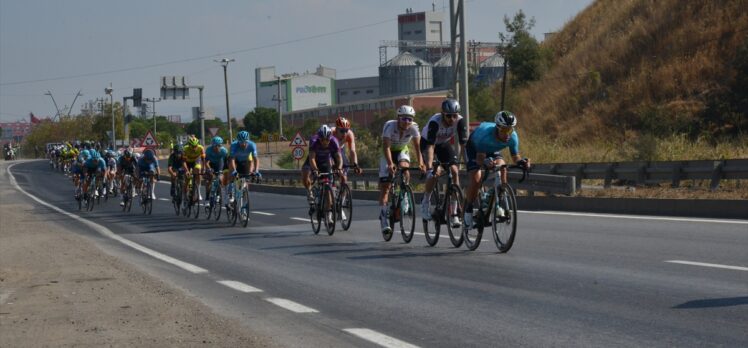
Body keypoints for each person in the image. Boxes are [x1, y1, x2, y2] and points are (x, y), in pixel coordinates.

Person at [462, 111, 531, 229]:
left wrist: (521, 162)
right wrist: (485, 162)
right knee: (476, 180)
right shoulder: (484, 136)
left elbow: (515, 156)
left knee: (502, 167)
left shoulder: (512, 137)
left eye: (510, 130)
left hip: (492, 149)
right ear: (498, 128)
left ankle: (498, 197)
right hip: (475, 149)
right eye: (504, 130)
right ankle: (468, 210)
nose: (507, 134)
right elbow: (479, 159)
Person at [420, 98, 468, 227]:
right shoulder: (435, 122)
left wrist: (468, 163)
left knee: (454, 171)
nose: (452, 119)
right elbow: (430, 147)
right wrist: (429, 167)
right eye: (448, 116)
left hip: (443, 144)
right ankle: (425, 203)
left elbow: (464, 145)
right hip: (428, 144)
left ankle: (454, 211)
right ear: (442, 114)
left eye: (454, 116)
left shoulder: (460, 121)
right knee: (435, 173)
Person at [378, 105, 425, 235]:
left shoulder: (414, 127)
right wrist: (390, 163)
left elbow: (418, 147)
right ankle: (384, 219)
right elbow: (386, 147)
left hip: (401, 149)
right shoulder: (390, 126)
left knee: (405, 169)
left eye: (410, 119)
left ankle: (404, 194)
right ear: (398, 118)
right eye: (404, 119)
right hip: (388, 152)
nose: (407, 122)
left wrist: (421, 162)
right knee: (385, 187)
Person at [307, 125, 343, 222]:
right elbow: (312, 158)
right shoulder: (314, 142)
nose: (325, 142)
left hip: (326, 161)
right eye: (322, 140)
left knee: (328, 188)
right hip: (315, 161)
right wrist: (315, 170)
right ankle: (313, 199)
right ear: (319, 138)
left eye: (327, 140)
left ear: (330, 138)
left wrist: (339, 168)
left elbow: (339, 158)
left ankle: (329, 215)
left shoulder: (334, 141)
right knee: (312, 176)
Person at [227, 130, 260, 203]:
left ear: (248, 141)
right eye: (241, 142)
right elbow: (232, 159)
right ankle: (231, 190)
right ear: (238, 141)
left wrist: (256, 170)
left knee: (245, 179)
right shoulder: (234, 145)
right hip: (235, 160)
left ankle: (244, 203)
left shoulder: (252, 145)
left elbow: (255, 159)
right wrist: (234, 171)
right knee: (232, 172)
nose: (243, 144)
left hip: (245, 161)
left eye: (245, 142)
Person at [331, 116, 363, 181]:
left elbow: (352, 151)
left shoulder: (349, 134)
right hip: (329, 151)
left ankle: (343, 189)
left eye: (346, 130)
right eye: (342, 131)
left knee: (343, 176)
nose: (344, 133)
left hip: (340, 150)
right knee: (330, 169)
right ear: (336, 129)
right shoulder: (331, 133)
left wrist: (356, 164)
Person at [204, 136, 229, 203]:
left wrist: (225, 171)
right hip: (211, 164)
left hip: (219, 164)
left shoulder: (224, 151)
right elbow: (206, 162)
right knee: (210, 179)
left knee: (220, 178)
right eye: (216, 146)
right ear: (213, 145)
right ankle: (207, 197)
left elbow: (227, 162)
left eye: (220, 145)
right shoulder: (209, 150)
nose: (218, 147)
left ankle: (218, 194)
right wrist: (209, 169)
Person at [183, 135, 206, 202]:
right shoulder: (185, 149)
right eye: (193, 146)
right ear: (189, 145)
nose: (194, 148)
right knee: (187, 178)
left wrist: (203, 168)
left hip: (196, 161)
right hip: (187, 162)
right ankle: (184, 195)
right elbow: (183, 162)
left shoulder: (201, 148)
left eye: (196, 146)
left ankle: (198, 192)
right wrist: (187, 170)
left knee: (198, 172)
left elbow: (203, 159)